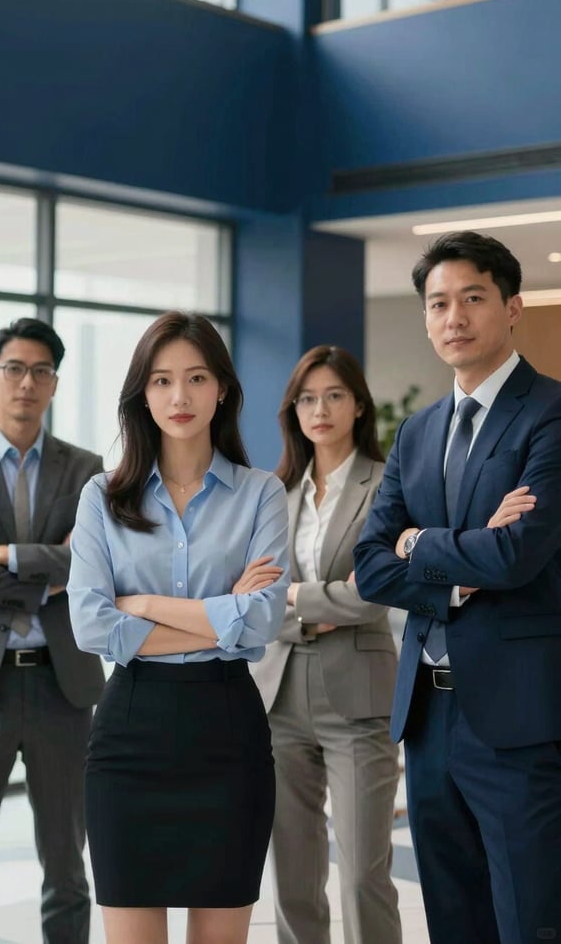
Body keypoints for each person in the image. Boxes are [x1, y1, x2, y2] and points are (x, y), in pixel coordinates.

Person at [354, 230, 561, 944]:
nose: (454, 317)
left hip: (517, 719)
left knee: (528, 917)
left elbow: (516, 555)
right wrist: (451, 567)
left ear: (512, 307)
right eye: (438, 303)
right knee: (451, 915)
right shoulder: (416, 431)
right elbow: (371, 563)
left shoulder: (550, 412)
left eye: (472, 297)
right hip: (427, 718)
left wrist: (421, 542)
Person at [67, 311, 289, 944]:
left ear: (222, 389)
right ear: (143, 394)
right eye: (162, 381)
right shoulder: (101, 497)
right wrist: (226, 619)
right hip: (129, 740)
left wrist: (141, 605)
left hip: (228, 738)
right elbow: (91, 625)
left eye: (196, 378)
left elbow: (266, 619)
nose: (180, 396)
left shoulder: (261, 494)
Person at [0, 318, 105, 944]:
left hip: (63, 690)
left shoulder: (86, 468)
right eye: (14, 368)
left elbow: (90, 565)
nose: (26, 383)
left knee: (67, 869)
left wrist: (0, 555)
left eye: (41, 371)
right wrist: (42, 568)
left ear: (55, 383)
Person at [251, 345, 401, 944]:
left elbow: (378, 592)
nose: (321, 409)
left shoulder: (387, 484)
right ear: (293, 410)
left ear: (358, 406)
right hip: (279, 696)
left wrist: (294, 599)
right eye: (308, 398)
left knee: (364, 871)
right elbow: (254, 598)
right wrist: (316, 604)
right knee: (292, 870)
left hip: (359, 699)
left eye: (334, 395)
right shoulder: (273, 491)